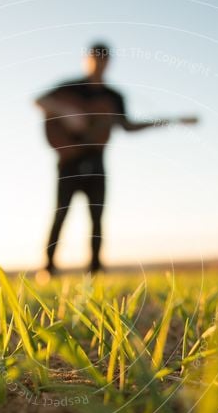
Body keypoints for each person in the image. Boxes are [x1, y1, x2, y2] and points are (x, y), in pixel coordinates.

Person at [35, 42, 197, 274]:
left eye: (103, 59)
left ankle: (95, 269)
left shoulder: (113, 97)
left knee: (97, 218)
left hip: (97, 160)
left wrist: (172, 121)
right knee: (61, 213)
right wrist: (68, 113)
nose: (99, 64)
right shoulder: (69, 88)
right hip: (69, 161)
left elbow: (128, 126)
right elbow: (39, 101)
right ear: (86, 59)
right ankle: (48, 268)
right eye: (94, 58)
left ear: (108, 62)